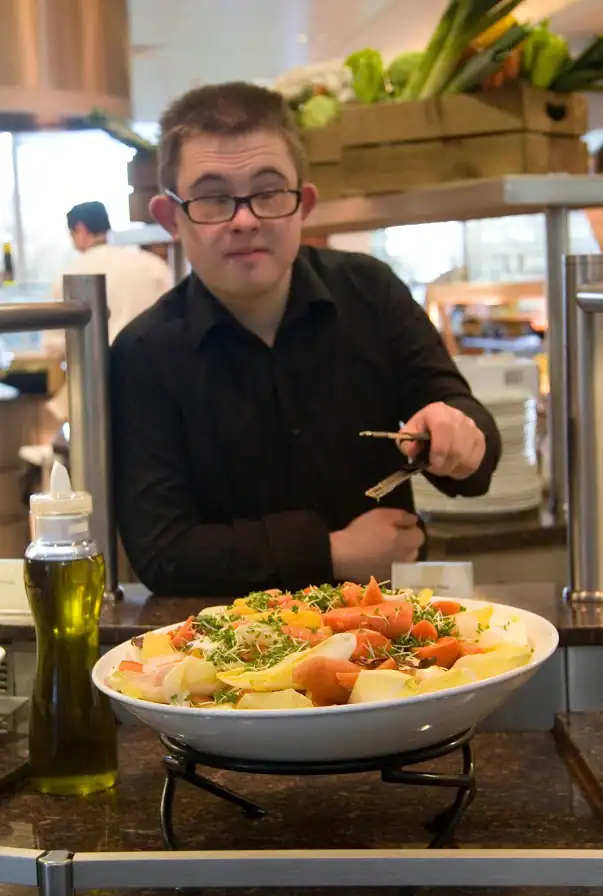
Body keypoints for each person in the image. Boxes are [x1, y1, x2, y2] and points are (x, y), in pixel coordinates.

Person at [111, 82, 502, 597]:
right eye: (213, 199)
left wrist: (460, 435)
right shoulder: (143, 354)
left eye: (268, 192)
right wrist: (333, 551)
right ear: (171, 218)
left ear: (304, 204)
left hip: (386, 634)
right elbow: (164, 553)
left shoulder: (370, 291)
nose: (245, 220)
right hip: (224, 652)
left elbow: (467, 437)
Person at [44, 201, 174, 423]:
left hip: (95, 393)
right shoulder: (153, 265)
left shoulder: (71, 274)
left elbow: (54, 344)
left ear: (81, 229)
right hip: (157, 385)